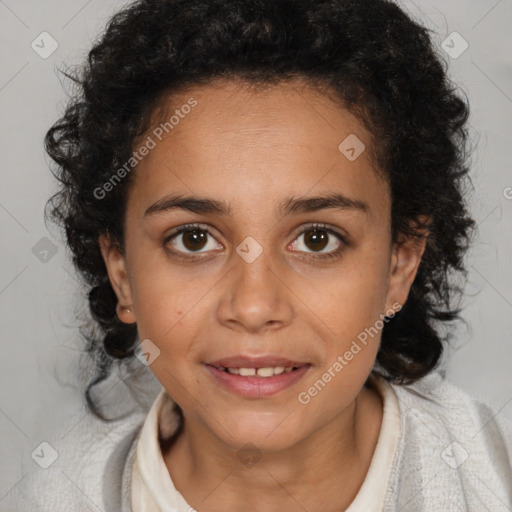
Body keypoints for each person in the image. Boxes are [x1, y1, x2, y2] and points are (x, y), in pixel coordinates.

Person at [5, 0, 511, 510]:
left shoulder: (495, 476)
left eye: (317, 239)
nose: (253, 306)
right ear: (122, 274)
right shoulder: (50, 495)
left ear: (399, 265)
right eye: (194, 239)